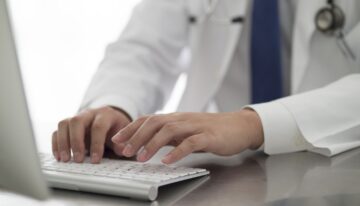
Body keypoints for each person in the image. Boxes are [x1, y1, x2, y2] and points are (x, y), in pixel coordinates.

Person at [52, 0, 360, 164]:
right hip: (231, 172)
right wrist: (117, 103)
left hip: (338, 168)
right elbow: (147, 46)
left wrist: (254, 124)